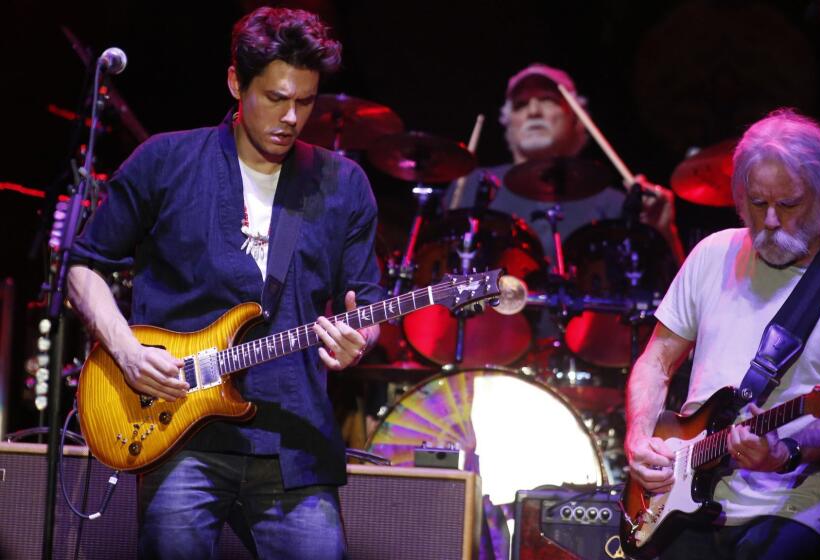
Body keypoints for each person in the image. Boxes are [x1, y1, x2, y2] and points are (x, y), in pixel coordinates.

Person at [67, 7, 382, 559]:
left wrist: (361, 340)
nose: (290, 117)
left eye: (304, 102)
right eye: (275, 98)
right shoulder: (166, 160)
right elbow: (83, 265)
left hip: (295, 440)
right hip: (177, 432)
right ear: (237, 82)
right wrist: (126, 350)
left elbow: (368, 302)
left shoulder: (342, 183)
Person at [624, 109, 820, 559]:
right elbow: (656, 361)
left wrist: (788, 451)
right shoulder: (713, 253)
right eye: (758, 205)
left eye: (789, 203)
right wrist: (638, 437)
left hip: (787, 507)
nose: (773, 221)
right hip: (679, 500)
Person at [445, 63, 684, 267]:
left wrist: (663, 233)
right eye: (520, 105)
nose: (534, 111)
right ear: (508, 124)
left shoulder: (617, 206)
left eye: (548, 100)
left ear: (577, 118)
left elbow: (676, 304)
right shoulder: (471, 186)